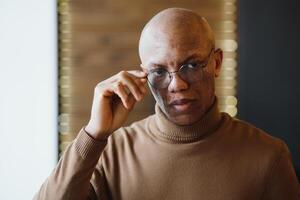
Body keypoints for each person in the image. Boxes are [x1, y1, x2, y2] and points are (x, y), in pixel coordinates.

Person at [34, 8, 300, 200]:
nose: (177, 85)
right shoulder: (109, 153)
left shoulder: (268, 157)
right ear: (144, 74)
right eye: (159, 71)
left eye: (192, 65)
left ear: (217, 63)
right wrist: (93, 134)